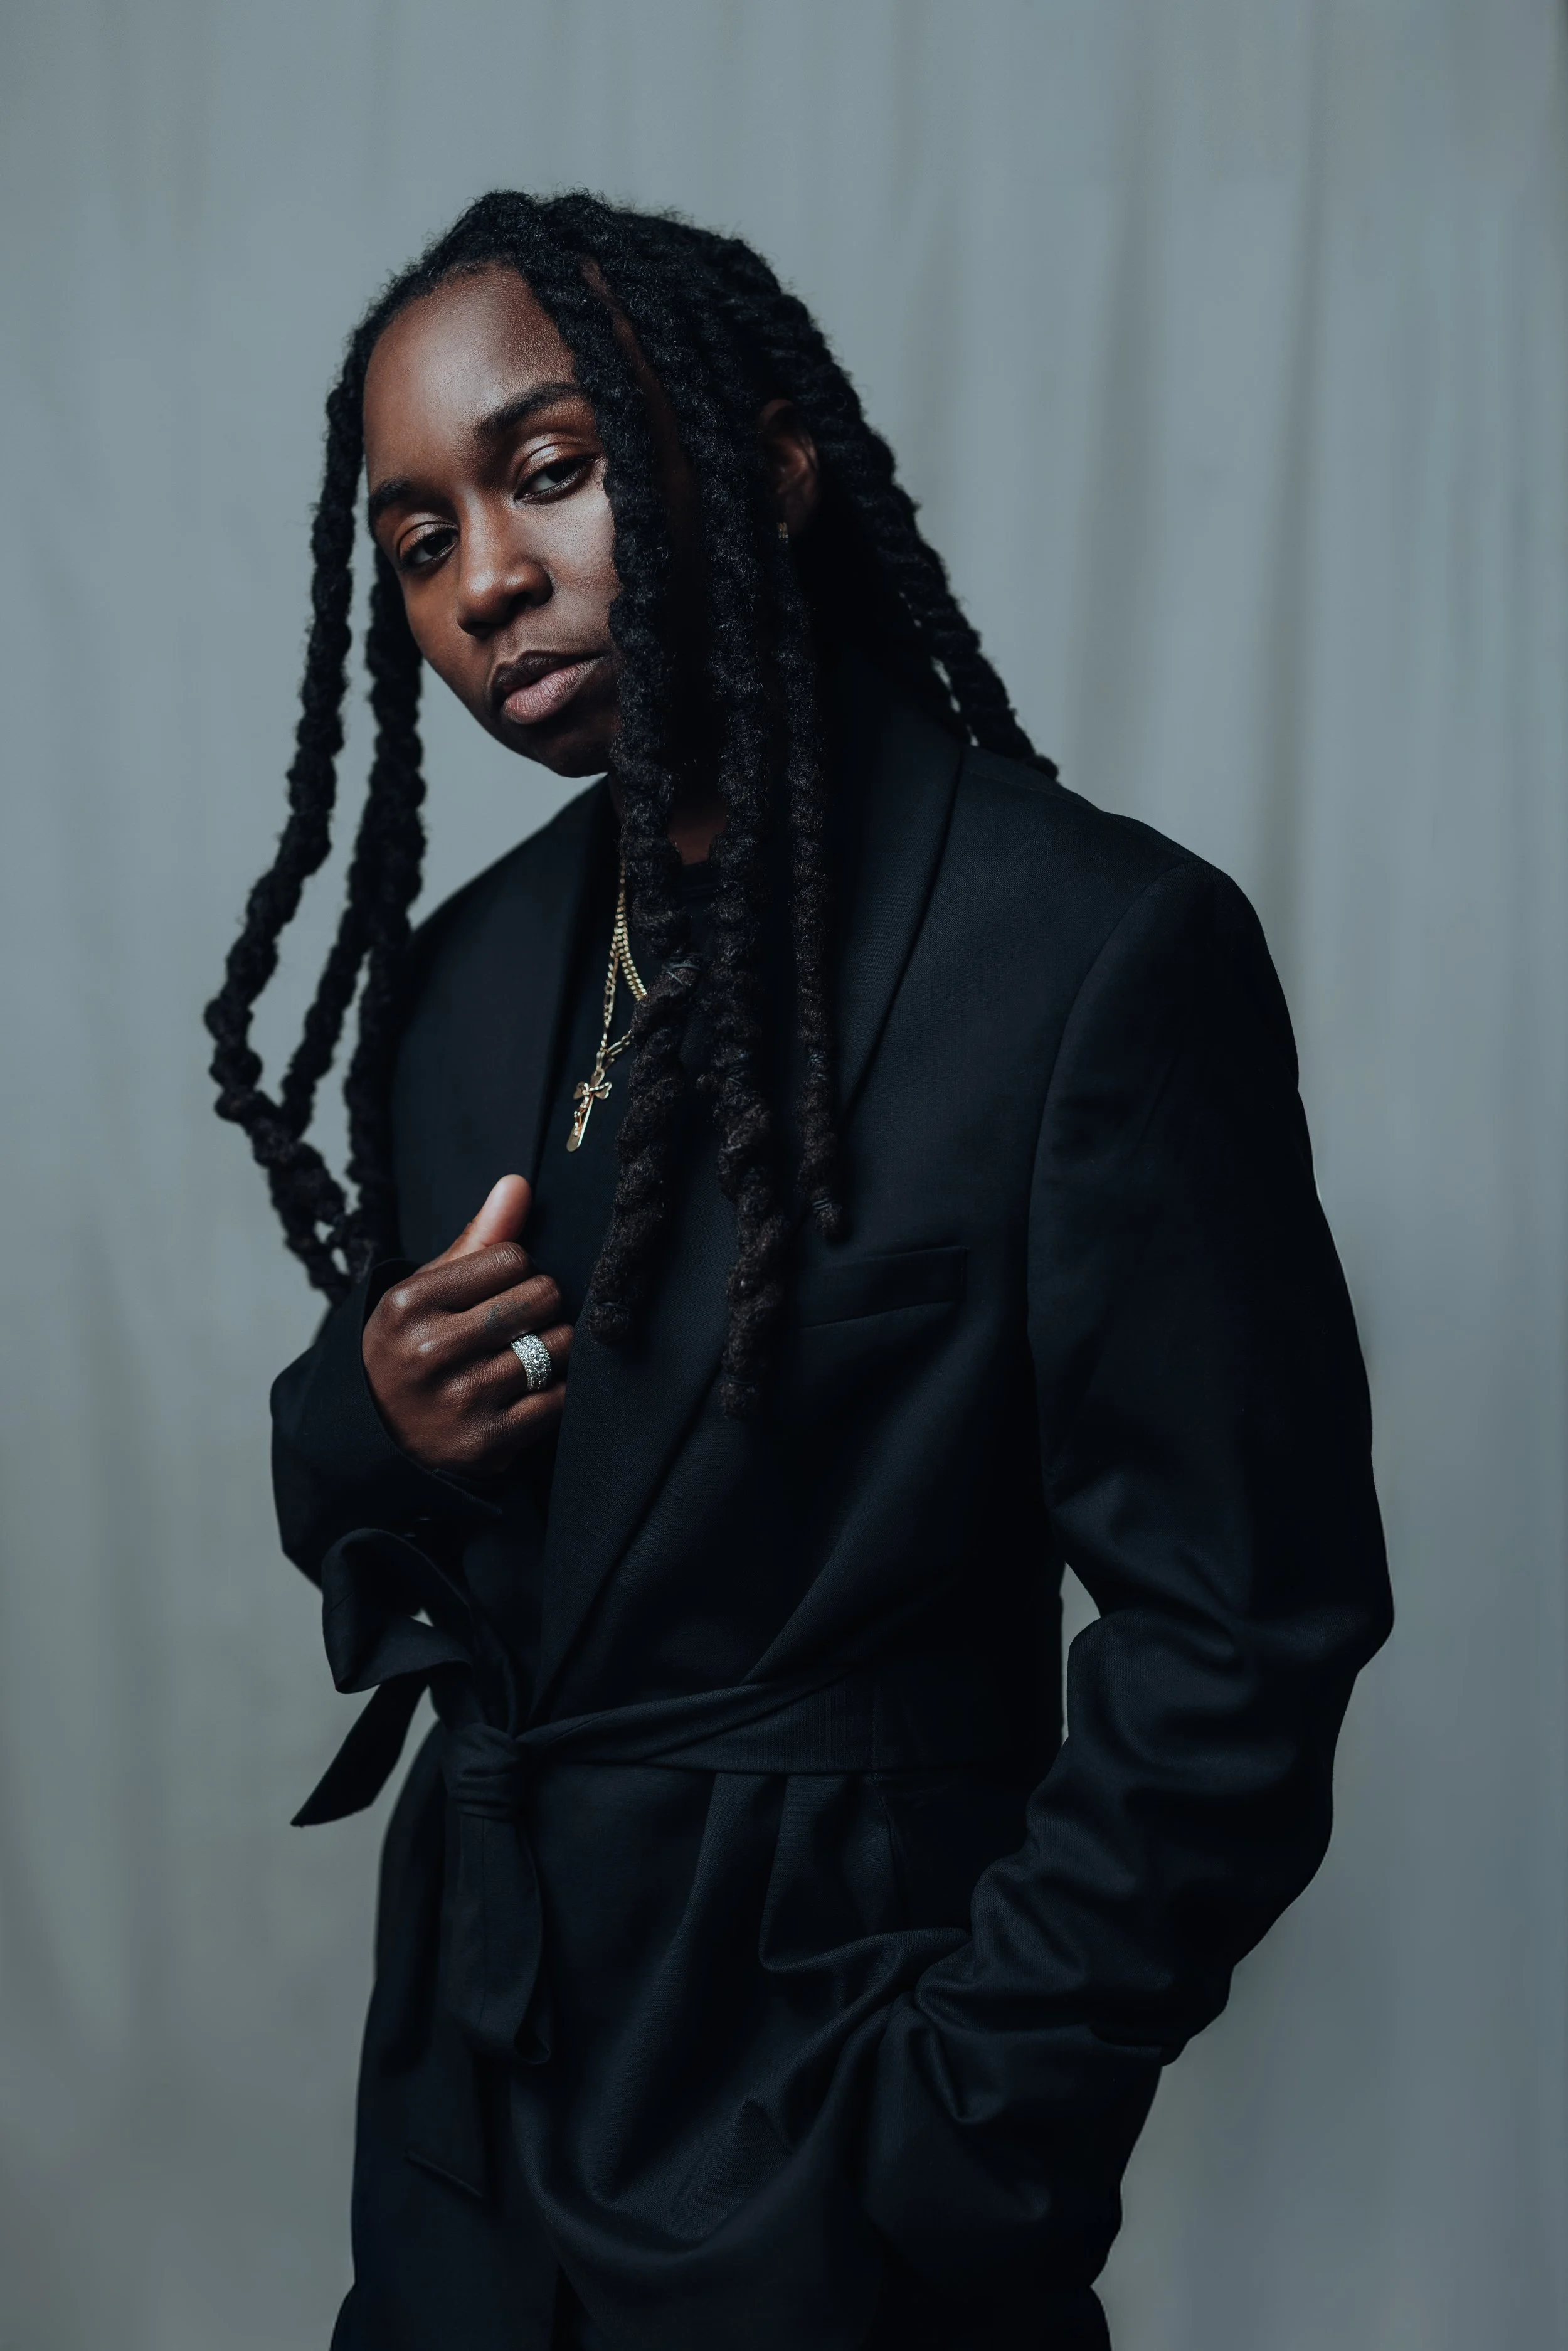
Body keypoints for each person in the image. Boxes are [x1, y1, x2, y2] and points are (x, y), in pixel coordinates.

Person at [206, 190, 1392, 2351]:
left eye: (549, 469)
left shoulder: (1084, 958)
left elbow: (1243, 1634)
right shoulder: (461, 977)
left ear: (765, 465)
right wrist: (370, 1421)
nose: (484, 579)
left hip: (832, 2138)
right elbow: (394, 1508)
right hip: (474, 2125)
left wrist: (954, 2133)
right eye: (419, 537)